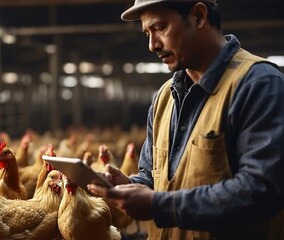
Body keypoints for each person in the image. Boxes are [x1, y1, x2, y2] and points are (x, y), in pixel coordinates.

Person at [87, 0, 284, 239]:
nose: (152, 45)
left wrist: (159, 205)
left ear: (199, 16)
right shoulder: (164, 97)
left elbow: (261, 190)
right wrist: (128, 184)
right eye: (147, 33)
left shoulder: (258, 84)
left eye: (160, 27)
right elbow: (154, 177)